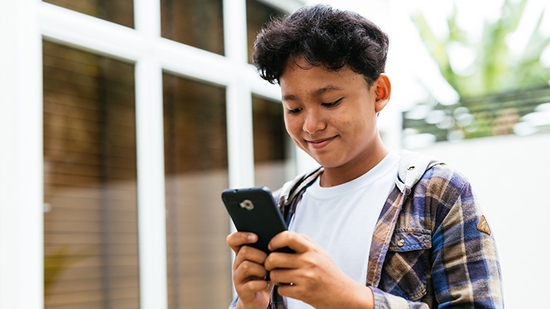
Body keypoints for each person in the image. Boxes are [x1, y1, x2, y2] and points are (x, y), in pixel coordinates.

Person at [226, 4, 504, 309]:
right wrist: (249, 305)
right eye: (294, 108)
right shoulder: (283, 206)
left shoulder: (437, 192)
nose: (311, 125)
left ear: (380, 92)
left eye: (330, 102)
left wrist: (349, 298)